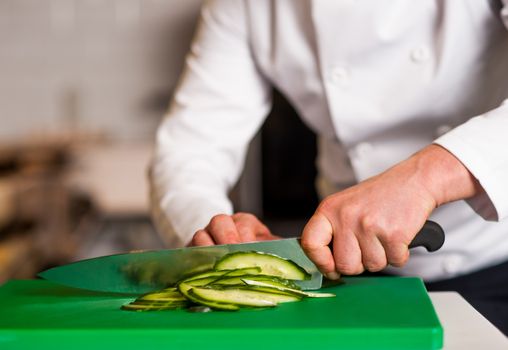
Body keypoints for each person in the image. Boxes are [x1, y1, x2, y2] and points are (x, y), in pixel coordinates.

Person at [149, 0, 508, 333]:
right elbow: (192, 145)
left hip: (492, 260)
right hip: (348, 272)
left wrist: (423, 179)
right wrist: (214, 234)